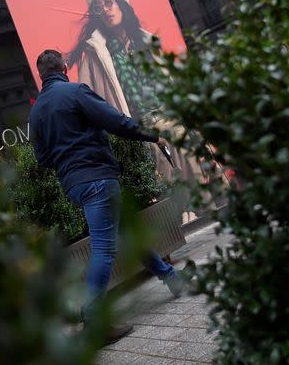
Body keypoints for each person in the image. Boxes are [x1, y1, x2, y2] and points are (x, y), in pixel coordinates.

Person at [29, 49, 186, 345]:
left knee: (124, 231)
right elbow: (116, 121)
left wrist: (68, 163)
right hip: (98, 178)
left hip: (75, 185)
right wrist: (153, 135)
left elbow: (42, 158)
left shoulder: (36, 112)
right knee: (104, 249)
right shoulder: (75, 92)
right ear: (64, 67)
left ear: (40, 75)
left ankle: (172, 280)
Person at [66, 0, 200, 182]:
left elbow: (170, 80)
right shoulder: (95, 54)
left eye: (108, 2)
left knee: (194, 169)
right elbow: (88, 101)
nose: (105, 10)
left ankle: (205, 210)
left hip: (169, 114)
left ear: (120, 3)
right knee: (163, 181)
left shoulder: (146, 41)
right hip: (138, 127)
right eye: (98, 7)